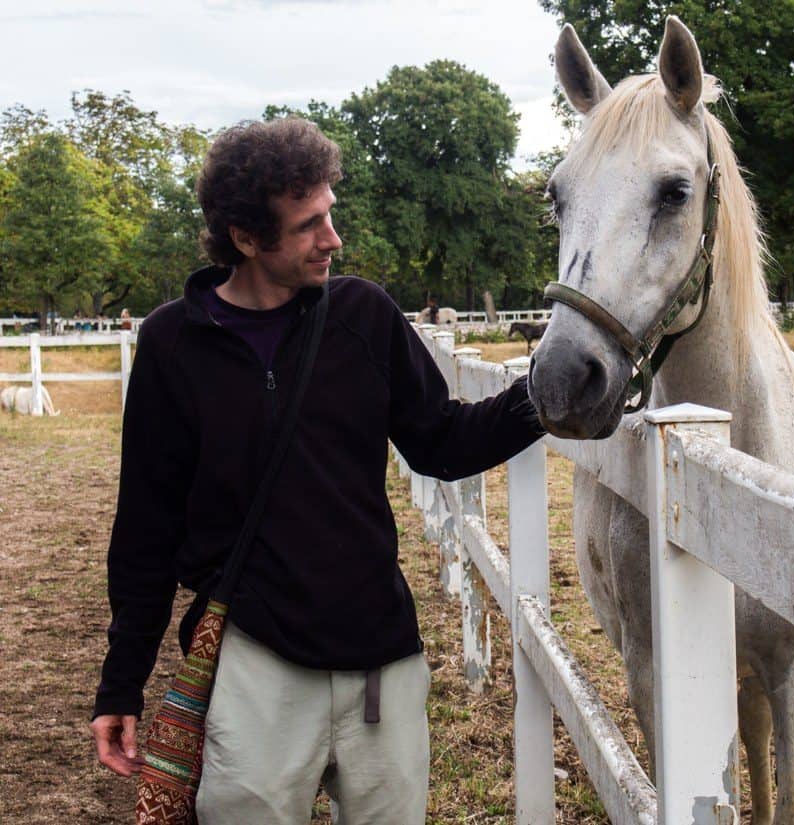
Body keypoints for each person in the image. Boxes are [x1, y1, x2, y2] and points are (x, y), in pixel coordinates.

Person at [89, 117, 544, 824]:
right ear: (244, 238)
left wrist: (545, 396)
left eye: (329, 214)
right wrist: (122, 684)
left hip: (380, 664)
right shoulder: (172, 344)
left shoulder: (363, 315)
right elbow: (146, 528)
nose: (332, 238)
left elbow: (440, 441)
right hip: (255, 661)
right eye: (307, 225)